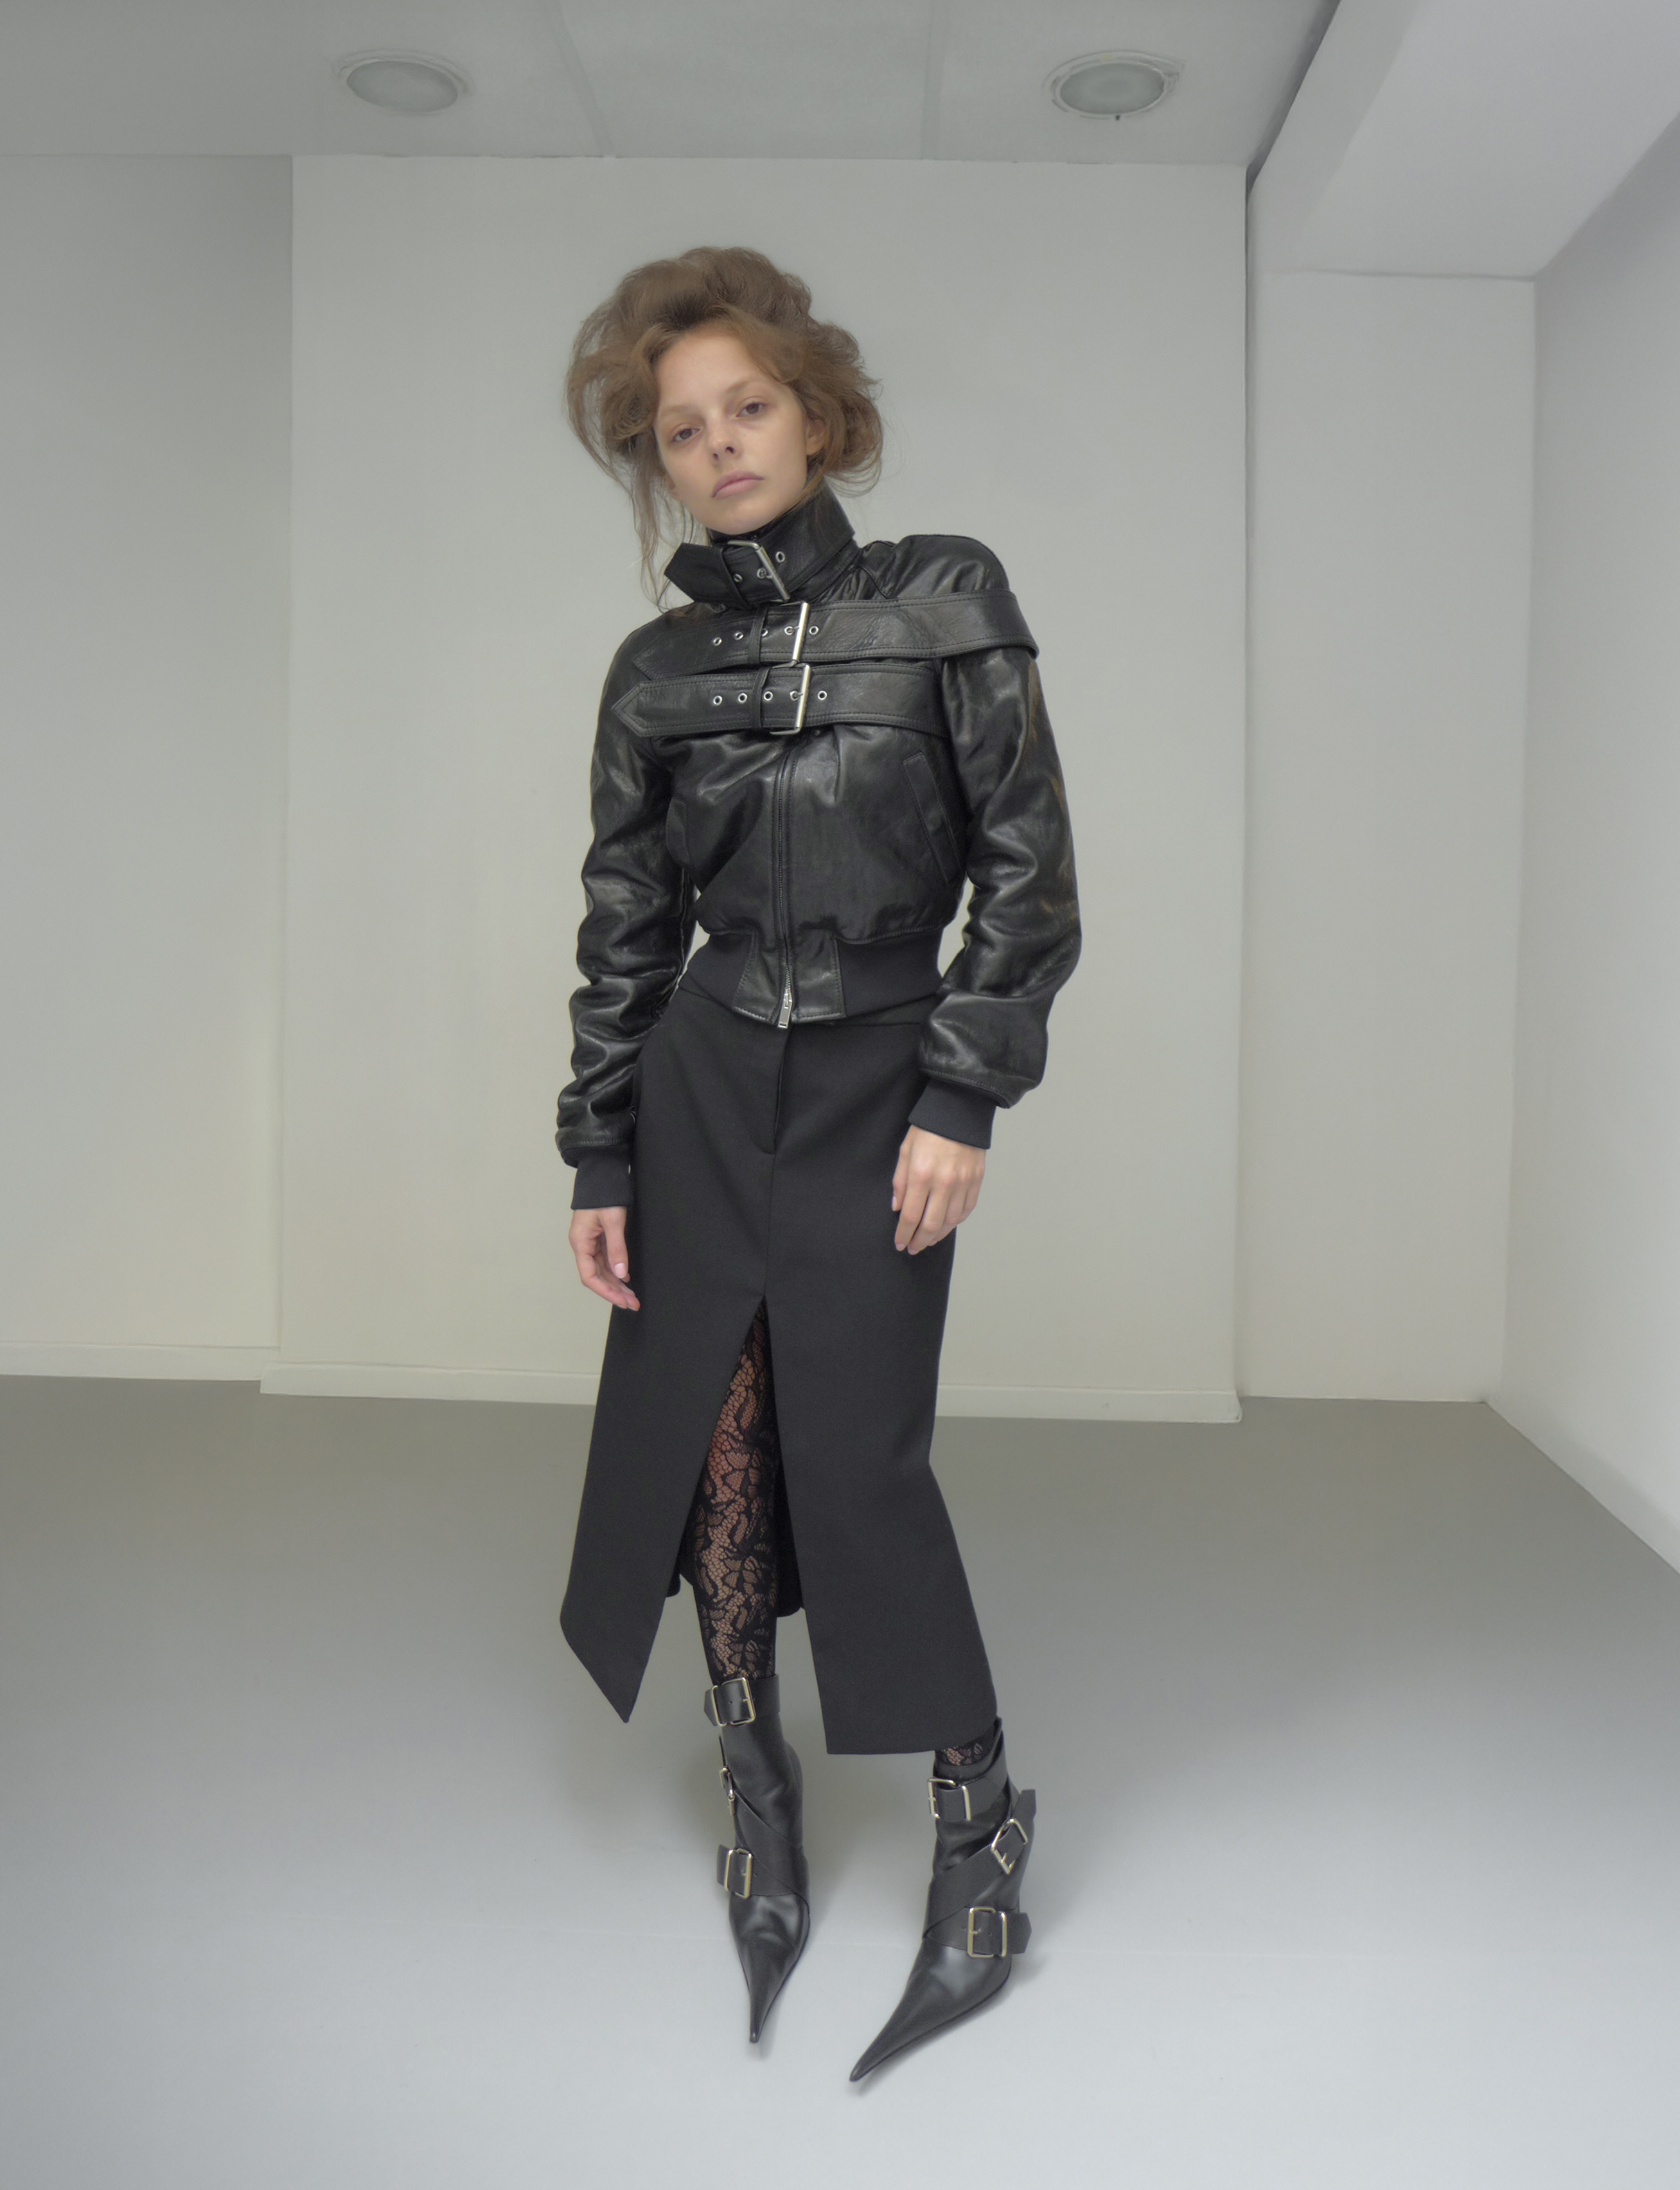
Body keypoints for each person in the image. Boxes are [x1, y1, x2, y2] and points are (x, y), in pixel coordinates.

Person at [553, 245, 1080, 2079]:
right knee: (711, 1431)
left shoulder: (945, 599)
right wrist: (598, 1147)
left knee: (858, 1451)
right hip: (703, 1085)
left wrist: (962, 1095)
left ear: (817, 410)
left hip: (879, 1072)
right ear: (658, 462)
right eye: (681, 430)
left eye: (748, 407)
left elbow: (1028, 879)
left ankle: (978, 1818)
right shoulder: (652, 672)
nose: (720, 446)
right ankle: (755, 1793)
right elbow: (626, 928)